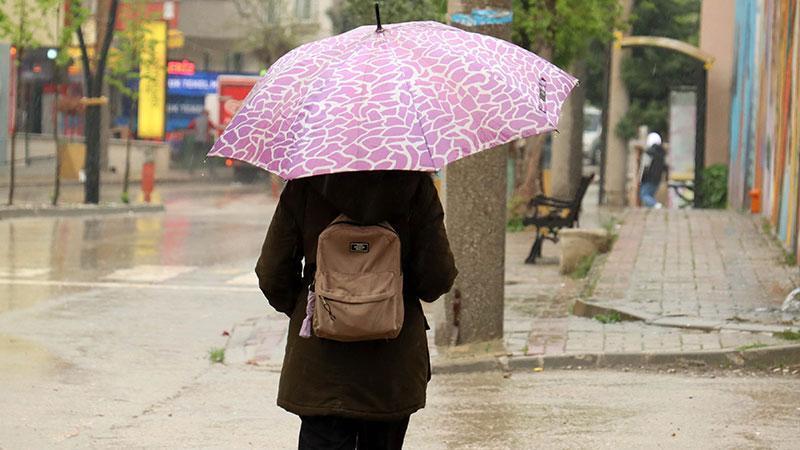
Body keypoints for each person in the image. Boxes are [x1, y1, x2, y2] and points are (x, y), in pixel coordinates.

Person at [256, 170, 457, 449]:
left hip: (321, 364)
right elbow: (436, 278)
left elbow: (271, 274)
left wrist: (315, 309)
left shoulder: (306, 184)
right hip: (392, 365)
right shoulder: (414, 185)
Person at [639, 132, 668, 208]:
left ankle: (656, 205)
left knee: (644, 195)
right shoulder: (662, 153)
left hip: (648, 178)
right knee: (650, 195)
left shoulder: (648, 153)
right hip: (657, 179)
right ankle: (652, 209)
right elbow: (665, 167)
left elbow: (645, 166)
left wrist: (640, 178)